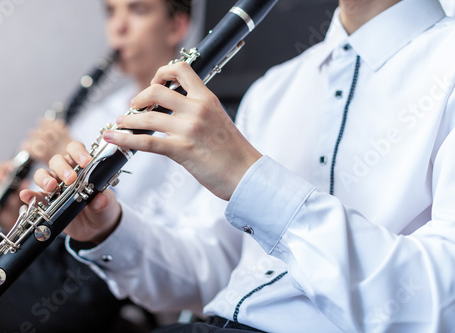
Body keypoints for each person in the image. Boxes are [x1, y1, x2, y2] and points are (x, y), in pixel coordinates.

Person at [24, 0, 455, 331]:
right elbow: (206, 274)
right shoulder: (273, 89)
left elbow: (438, 303)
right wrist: (108, 228)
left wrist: (250, 178)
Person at [0, 0, 211, 332]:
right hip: (58, 256)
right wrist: (14, 214)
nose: (118, 27)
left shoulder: (199, 121)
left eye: (137, 10)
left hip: (102, 281)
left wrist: (73, 157)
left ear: (176, 27)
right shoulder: (101, 111)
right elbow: (59, 210)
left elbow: (176, 245)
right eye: (111, 12)